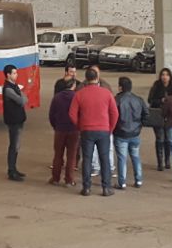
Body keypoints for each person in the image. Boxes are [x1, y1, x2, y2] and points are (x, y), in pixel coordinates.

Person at [69, 67, 119, 196]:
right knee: (105, 159)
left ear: (86, 79)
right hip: (103, 130)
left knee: (87, 159)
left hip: (86, 130)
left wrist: (80, 126)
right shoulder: (106, 93)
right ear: (97, 78)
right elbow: (115, 113)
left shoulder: (79, 94)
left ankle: (86, 188)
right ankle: (106, 188)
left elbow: (72, 114)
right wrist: (110, 128)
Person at [113, 77, 150, 189]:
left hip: (120, 133)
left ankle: (122, 182)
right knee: (135, 157)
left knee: (122, 158)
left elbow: (112, 115)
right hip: (135, 133)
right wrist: (139, 126)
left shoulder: (117, 100)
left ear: (120, 87)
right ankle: (138, 180)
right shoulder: (138, 99)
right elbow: (146, 114)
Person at [48, 77, 80, 187]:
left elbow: (51, 115)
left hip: (60, 130)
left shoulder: (57, 97)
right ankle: (69, 180)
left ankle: (55, 178)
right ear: (73, 85)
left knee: (58, 154)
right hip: (74, 130)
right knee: (71, 156)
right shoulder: (77, 97)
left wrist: (56, 126)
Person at [1, 64, 27, 182]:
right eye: (14, 73)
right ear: (8, 75)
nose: (17, 75)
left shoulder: (14, 86)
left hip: (18, 119)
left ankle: (14, 169)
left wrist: (22, 96)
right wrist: (21, 96)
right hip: (13, 121)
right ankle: (11, 171)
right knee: (14, 146)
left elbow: (24, 98)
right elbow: (22, 100)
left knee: (17, 145)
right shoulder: (8, 89)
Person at [147, 68, 172, 172]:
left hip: (170, 117)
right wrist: (160, 100)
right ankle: (160, 162)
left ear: (170, 76)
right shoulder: (156, 85)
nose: (164, 77)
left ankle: (167, 160)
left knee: (168, 139)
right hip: (158, 116)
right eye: (163, 74)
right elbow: (150, 100)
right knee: (160, 139)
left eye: (167, 75)